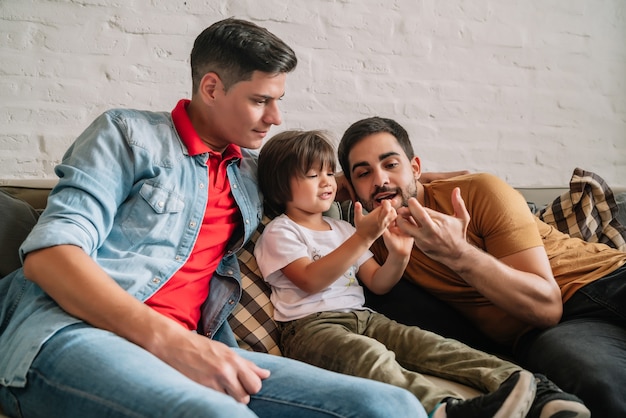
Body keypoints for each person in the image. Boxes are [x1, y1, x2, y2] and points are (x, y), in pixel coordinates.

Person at [0, 19, 431, 418]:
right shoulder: (127, 135)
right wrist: (175, 342)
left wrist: (424, 181)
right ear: (211, 88)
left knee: (388, 404)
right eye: (260, 101)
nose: (276, 118)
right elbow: (50, 255)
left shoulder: (250, 171)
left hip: (195, 345)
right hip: (74, 333)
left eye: (278, 101)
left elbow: (323, 182)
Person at [253, 129, 590, 418]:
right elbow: (311, 280)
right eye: (313, 176)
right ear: (281, 189)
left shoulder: (342, 227)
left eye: (329, 173)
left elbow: (378, 283)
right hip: (311, 328)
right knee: (373, 359)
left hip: (363, 316)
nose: (327, 182)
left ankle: (535, 391)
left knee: (432, 346)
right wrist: (363, 237)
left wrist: (399, 256)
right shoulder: (281, 232)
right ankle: (443, 409)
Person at [337, 116, 626, 417]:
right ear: (351, 187)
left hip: (606, 280)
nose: (380, 180)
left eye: (391, 164)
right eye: (363, 173)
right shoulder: (367, 244)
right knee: (599, 386)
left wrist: (458, 252)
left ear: (416, 168)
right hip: (544, 331)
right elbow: (547, 314)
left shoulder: (476, 192)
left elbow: (546, 300)